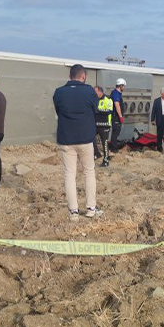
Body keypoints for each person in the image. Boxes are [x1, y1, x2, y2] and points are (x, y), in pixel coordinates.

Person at [53, 64, 101, 220]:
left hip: (66, 138)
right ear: (84, 76)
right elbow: (95, 109)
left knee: (69, 174)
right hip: (85, 138)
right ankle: (91, 208)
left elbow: (58, 111)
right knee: (89, 172)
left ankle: (73, 212)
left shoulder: (59, 92)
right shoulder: (89, 91)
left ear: (69, 76)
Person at [94, 86, 113, 167]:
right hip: (96, 124)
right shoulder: (95, 100)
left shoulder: (108, 99)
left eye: (95, 92)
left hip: (105, 125)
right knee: (90, 139)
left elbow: (109, 111)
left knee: (104, 143)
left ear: (100, 92)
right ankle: (97, 154)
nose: (94, 94)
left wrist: (98, 110)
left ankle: (106, 160)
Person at [110, 78, 126, 150]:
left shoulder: (117, 93)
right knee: (115, 132)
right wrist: (120, 117)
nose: (124, 88)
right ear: (121, 86)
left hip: (116, 116)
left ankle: (114, 145)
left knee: (116, 131)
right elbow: (117, 105)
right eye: (124, 86)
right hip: (115, 117)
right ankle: (113, 148)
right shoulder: (116, 93)